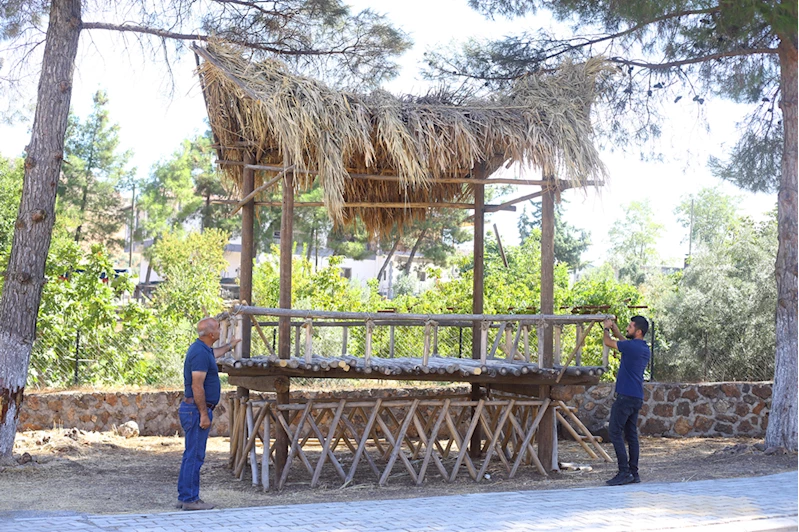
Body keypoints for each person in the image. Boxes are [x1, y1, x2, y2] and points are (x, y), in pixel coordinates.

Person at [177, 317, 240, 510]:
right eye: (219, 329)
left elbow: (214, 353)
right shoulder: (199, 354)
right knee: (195, 455)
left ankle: (186, 497)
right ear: (211, 334)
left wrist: (230, 345)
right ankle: (189, 499)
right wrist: (203, 414)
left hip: (195, 410)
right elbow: (197, 386)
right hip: (196, 411)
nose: (221, 332)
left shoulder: (202, 350)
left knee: (192, 454)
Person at [602, 315, 651, 486]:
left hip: (624, 396)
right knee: (631, 435)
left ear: (638, 331)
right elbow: (625, 344)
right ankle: (633, 473)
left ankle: (623, 472)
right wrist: (616, 329)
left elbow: (608, 342)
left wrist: (607, 328)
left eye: (630, 326)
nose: (627, 328)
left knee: (615, 432)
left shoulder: (632, 347)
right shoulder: (643, 348)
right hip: (636, 397)